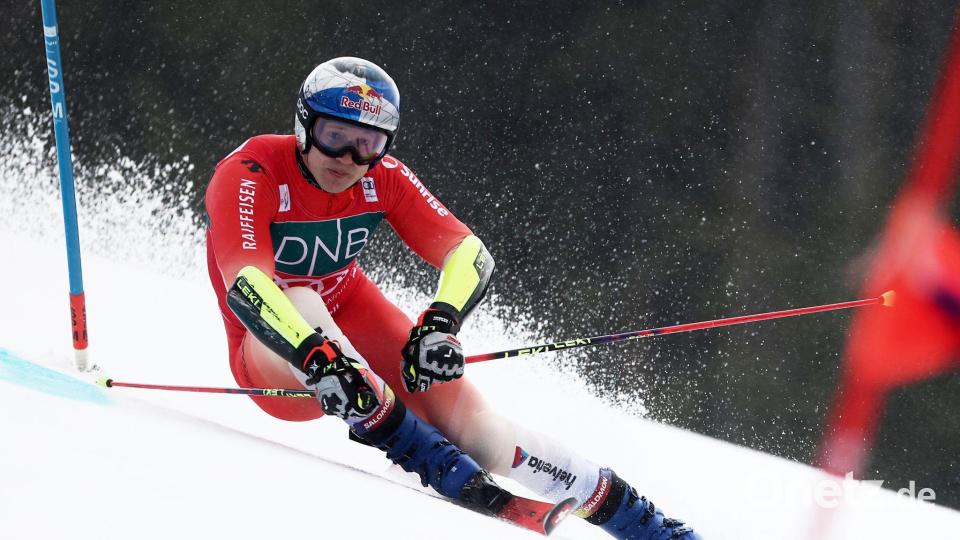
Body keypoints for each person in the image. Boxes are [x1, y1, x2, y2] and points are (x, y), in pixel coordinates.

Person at [204, 56, 701, 539]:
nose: (349, 159)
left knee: (484, 438)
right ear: (305, 124)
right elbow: (247, 285)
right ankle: (414, 445)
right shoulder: (252, 170)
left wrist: (441, 322)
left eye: (368, 144)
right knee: (303, 301)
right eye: (335, 137)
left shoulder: (383, 178)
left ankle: (643, 524)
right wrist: (317, 356)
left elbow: (469, 252)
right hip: (270, 353)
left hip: (349, 314)